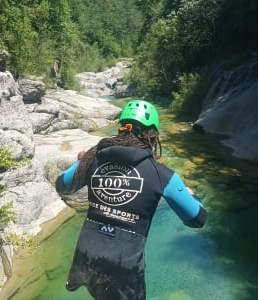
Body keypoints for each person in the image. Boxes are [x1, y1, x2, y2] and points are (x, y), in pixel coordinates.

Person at [55, 99, 206, 300]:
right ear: (153, 134)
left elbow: (62, 186)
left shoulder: (93, 158)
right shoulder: (162, 175)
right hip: (122, 264)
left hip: (86, 255)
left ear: (121, 129)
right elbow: (197, 219)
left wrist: (81, 162)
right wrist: (190, 194)